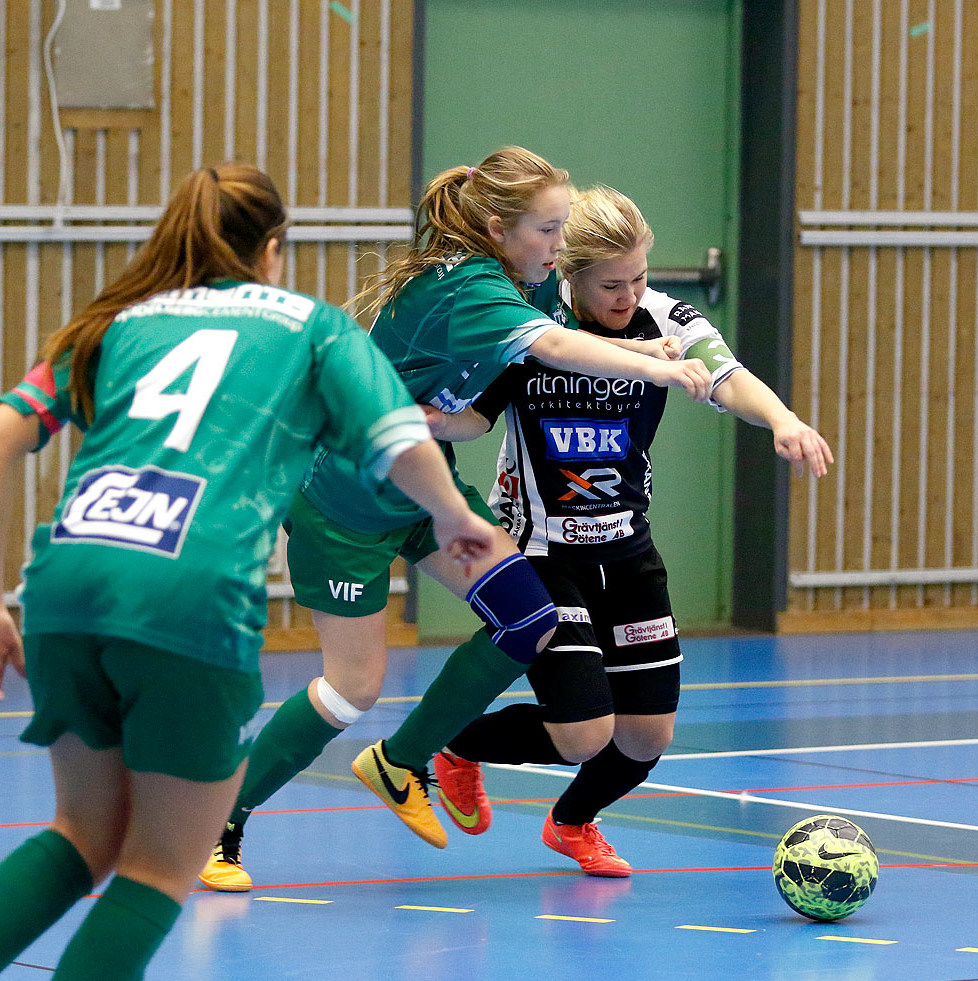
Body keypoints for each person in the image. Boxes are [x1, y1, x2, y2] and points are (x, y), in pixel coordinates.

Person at [0, 164, 500, 981]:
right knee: (157, 864)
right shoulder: (313, 328)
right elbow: (398, 435)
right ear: (272, 249)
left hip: (66, 587)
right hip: (186, 591)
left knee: (81, 835)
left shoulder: (115, 323)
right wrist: (452, 515)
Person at [198, 148, 712, 890]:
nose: (558, 247)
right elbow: (557, 345)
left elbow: (498, 400)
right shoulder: (466, 287)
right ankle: (224, 819)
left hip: (423, 490)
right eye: (547, 229)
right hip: (344, 508)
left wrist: (646, 345)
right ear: (499, 228)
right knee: (351, 690)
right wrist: (657, 365)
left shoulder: (515, 283)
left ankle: (404, 761)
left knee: (527, 617)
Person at [427, 185, 833, 876]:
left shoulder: (662, 317)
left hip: (628, 549)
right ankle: (450, 743)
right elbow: (476, 414)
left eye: (639, 277)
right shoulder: (529, 323)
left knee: (645, 736)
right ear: (567, 274)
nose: (629, 294)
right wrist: (423, 423)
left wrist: (785, 421)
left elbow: (728, 376)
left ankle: (573, 821)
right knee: (584, 731)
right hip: (544, 551)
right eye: (611, 284)